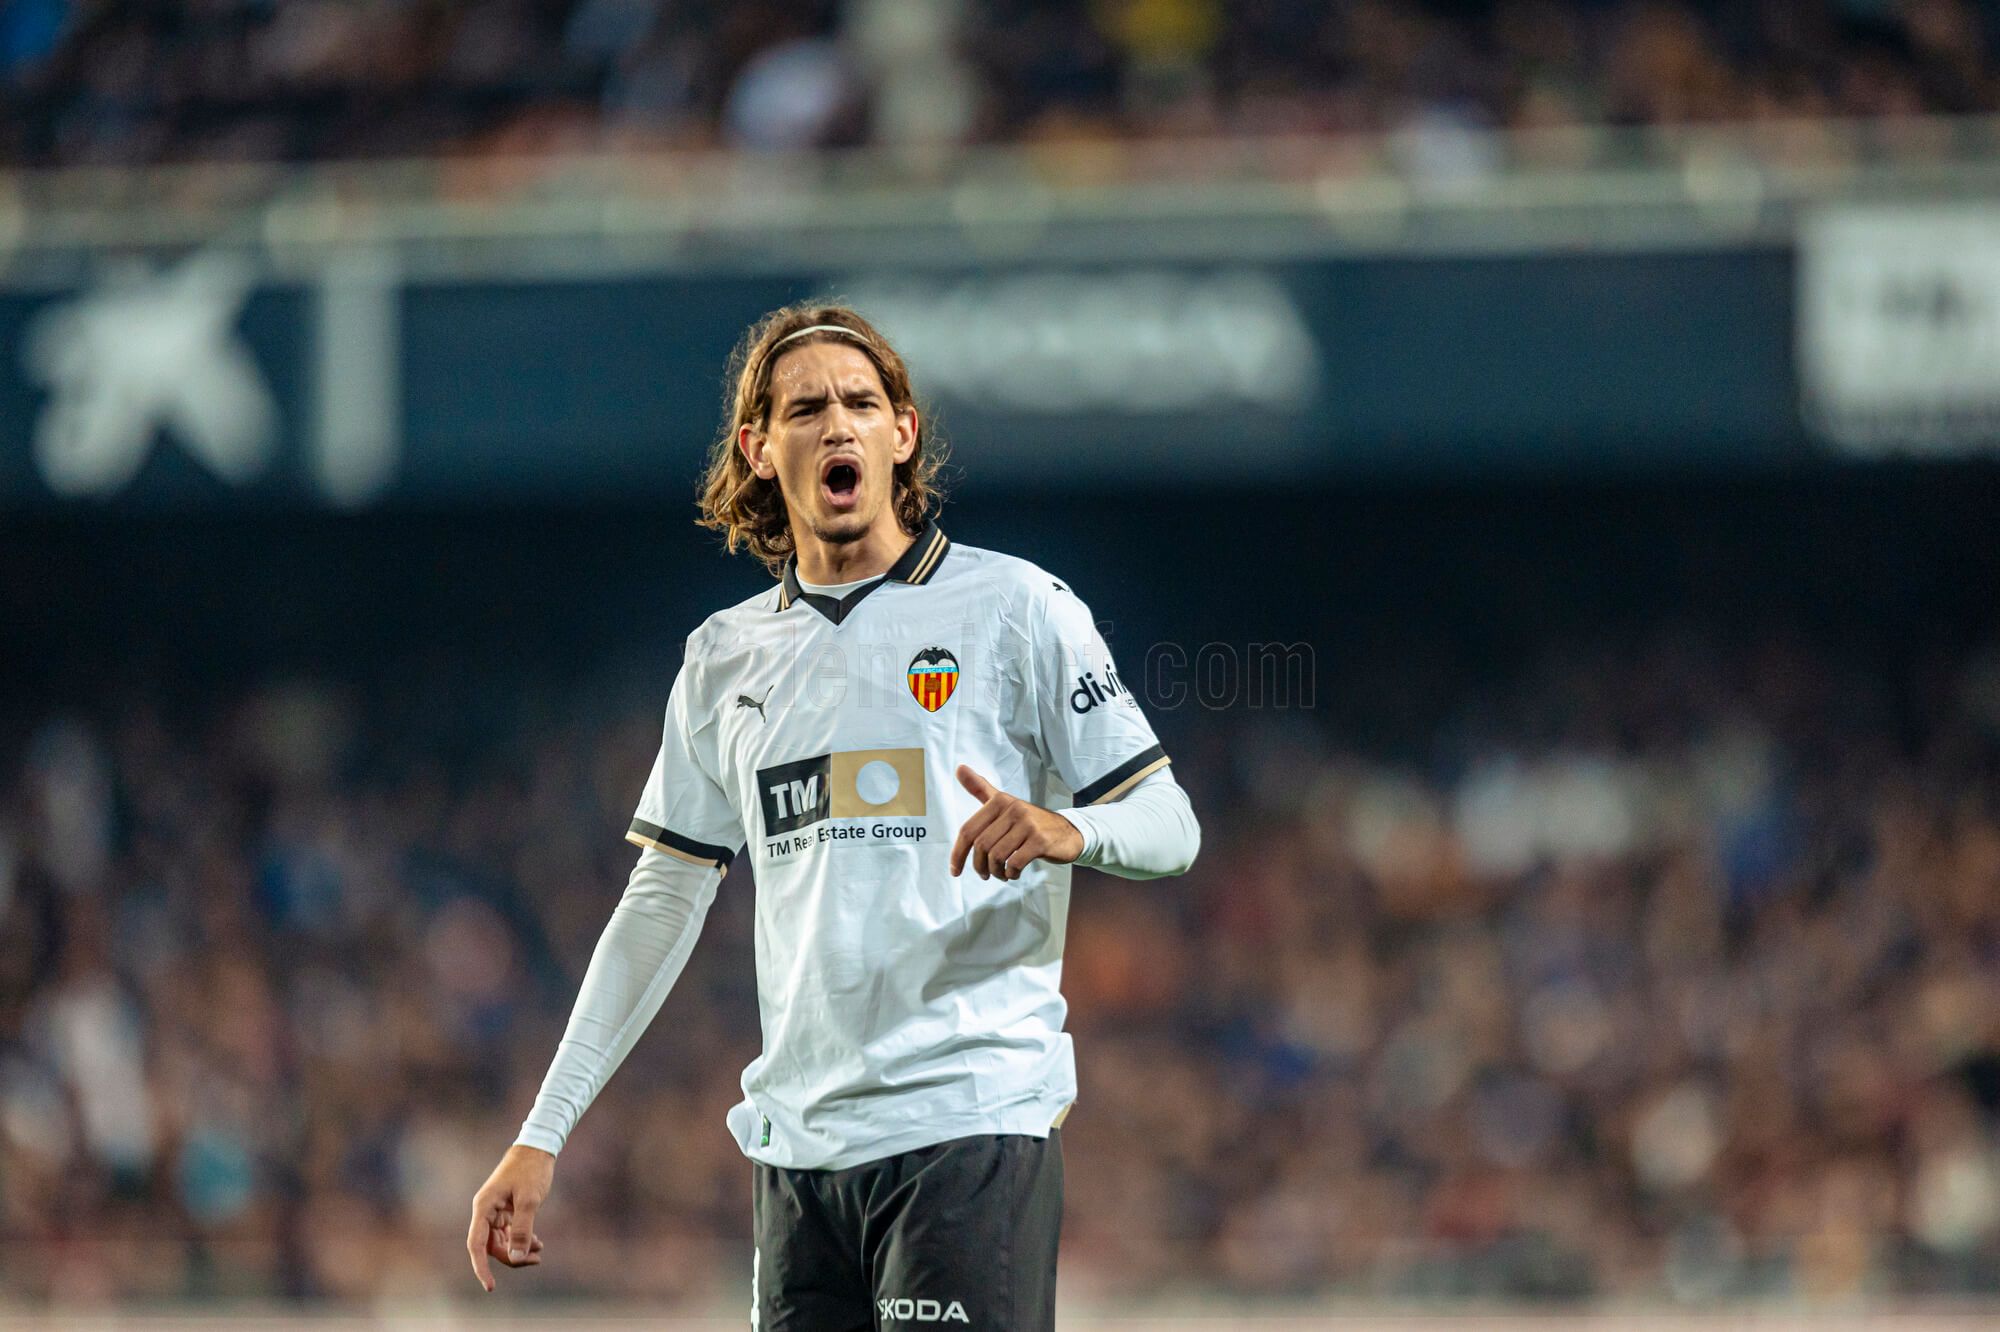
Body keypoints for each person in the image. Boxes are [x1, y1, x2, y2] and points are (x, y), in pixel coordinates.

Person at [465, 303, 1200, 1327]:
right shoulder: (723, 658)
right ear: (758, 449)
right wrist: (542, 1131)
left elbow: (1171, 822)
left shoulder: (1017, 609)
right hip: (797, 1155)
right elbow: (659, 901)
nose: (837, 424)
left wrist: (1072, 829)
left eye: (861, 402)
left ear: (901, 435)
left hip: (966, 1124)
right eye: (805, 407)